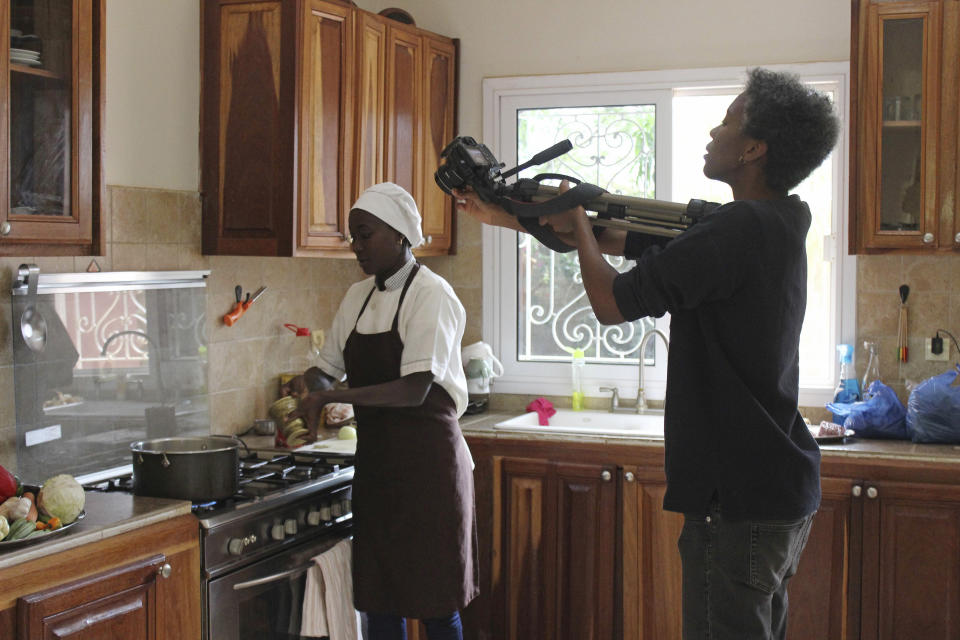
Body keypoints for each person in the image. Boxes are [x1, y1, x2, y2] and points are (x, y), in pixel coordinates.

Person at [457, 68, 840, 639]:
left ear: (754, 148)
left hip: (737, 494)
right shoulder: (777, 220)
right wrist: (515, 216)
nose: (715, 130)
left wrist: (579, 222)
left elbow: (611, 302)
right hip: (773, 487)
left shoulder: (737, 229)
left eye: (729, 121)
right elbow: (628, 237)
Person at [289, 182, 479, 640]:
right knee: (378, 599)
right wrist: (307, 388)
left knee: (435, 601)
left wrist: (332, 398)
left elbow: (415, 390)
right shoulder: (356, 297)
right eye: (353, 235)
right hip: (378, 468)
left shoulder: (431, 294)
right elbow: (327, 370)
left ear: (398, 235)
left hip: (429, 467)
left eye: (365, 234)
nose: (357, 246)